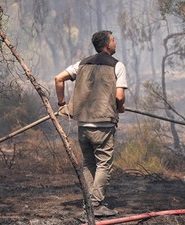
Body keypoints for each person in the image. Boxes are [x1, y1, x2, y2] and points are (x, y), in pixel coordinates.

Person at [54, 30, 127, 217]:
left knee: (88, 163)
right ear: (106, 44)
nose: (115, 42)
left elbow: (58, 78)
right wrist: (120, 107)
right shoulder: (117, 66)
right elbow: (119, 96)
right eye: (113, 40)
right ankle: (95, 205)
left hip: (83, 124)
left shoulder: (82, 63)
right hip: (104, 124)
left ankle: (89, 202)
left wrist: (62, 104)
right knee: (103, 164)